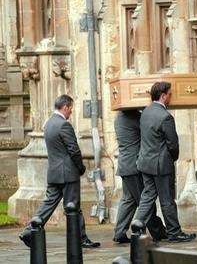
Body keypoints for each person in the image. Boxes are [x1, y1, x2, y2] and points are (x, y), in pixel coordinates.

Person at [19, 95, 100, 248]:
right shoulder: (64, 125)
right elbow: (74, 150)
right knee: (73, 207)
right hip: (68, 173)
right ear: (65, 107)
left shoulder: (48, 123)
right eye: (70, 109)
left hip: (54, 172)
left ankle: (29, 230)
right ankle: (81, 238)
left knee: (48, 203)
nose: (71, 113)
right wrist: (81, 167)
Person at [135, 82, 196, 242]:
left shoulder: (145, 112)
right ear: (163, 95)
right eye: (170, 94)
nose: (171, 97)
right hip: (161, 165)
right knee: (167, 200)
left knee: (147, 196)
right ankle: (175, 232)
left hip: (145, 162)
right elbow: (173, 144)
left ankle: (137, 223)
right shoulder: (166, 117)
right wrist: (173, 158)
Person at [113, 109, 167, 243]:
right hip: (134, 166)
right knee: (145, 201)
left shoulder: (119, 117)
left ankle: (119, 232)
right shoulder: (135, 117)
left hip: (125, 165)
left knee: (128, 200)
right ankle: (157, 231)